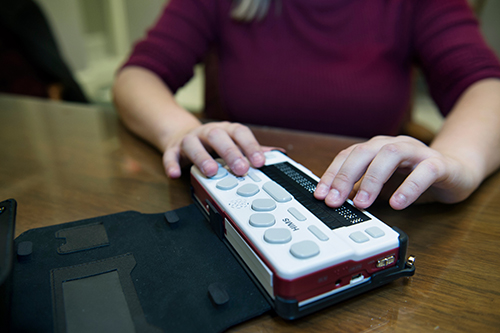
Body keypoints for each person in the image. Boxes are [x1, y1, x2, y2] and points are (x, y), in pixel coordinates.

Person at [112, 0, 500, 211]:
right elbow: (138, 75)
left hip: (366, 206)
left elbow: (486, 86)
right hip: (236, 195)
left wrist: (456, 161)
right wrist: (177, 129)